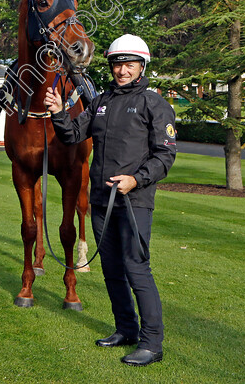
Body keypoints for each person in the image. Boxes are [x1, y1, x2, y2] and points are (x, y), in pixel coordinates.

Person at [43, 34, 176, 367]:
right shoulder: (101, 101)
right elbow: (73, 135)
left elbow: (165, 155)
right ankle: (126, 329)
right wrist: (60, 112)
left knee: (136, 269)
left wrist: (136, 179)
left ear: (141, 66)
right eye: (118, 64)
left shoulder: (154, 103)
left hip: (135, 201)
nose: (122, 70)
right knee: (112, 270)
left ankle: (152, 343)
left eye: (129, 64)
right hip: (102, 199)